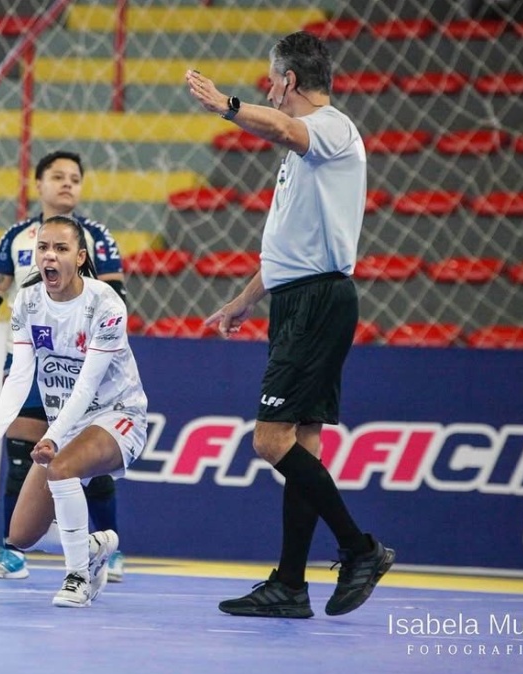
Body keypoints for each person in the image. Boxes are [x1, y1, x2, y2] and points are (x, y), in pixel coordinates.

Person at [185, 32, 394, 618]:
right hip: (299, 297)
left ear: (288, 82)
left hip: (317, 305)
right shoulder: (303, 152)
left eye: (271, 80)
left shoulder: (330, 129)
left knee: (268, 440)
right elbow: (288, 248)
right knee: (302, 444)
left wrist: (225, 106)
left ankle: (361, 549)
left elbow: (282, 128)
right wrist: (246, 300)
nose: (267, 91)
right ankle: (291, 586)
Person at [0, 150, 129, 582]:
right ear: (39, 185)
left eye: (75, 177)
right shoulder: (16, 237)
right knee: (20, 454)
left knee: (89, 458)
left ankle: (107, 542)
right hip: (31, 360)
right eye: (57, 176)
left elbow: (116, 299)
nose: (67, 183)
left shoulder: (97, 237)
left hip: (82, 359)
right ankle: (13, 552)